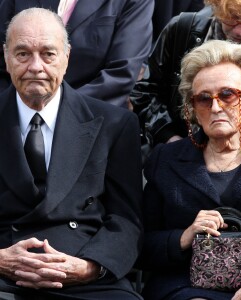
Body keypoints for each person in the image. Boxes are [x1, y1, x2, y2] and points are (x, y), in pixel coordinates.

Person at [0, 7, 143, 300]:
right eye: (22, 53)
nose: (35, 66)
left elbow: (127, 221)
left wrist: (90, 267)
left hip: (84, 280)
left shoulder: (114, 124)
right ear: (6, 57)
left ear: (67, 57)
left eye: (48, 54)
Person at [140, 40, 241, 300]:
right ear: (192, 109)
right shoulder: (165, 160)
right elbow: (141, 246)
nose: (215, 107)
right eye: (203, 99)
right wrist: (184, 236)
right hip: (184, 286)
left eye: (228, 95)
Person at [132, 0, 241, 147]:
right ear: (218, 8)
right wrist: (169, 137)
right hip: (176, 154)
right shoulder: (182, 29)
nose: (239, 31)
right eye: (232, 18)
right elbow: (146, 92)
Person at [0, 0, 154, 107]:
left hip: (92, 117)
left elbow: (122, 73)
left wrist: (55, 109)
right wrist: (16, 108)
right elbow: (3, 56)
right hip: (18, 117)